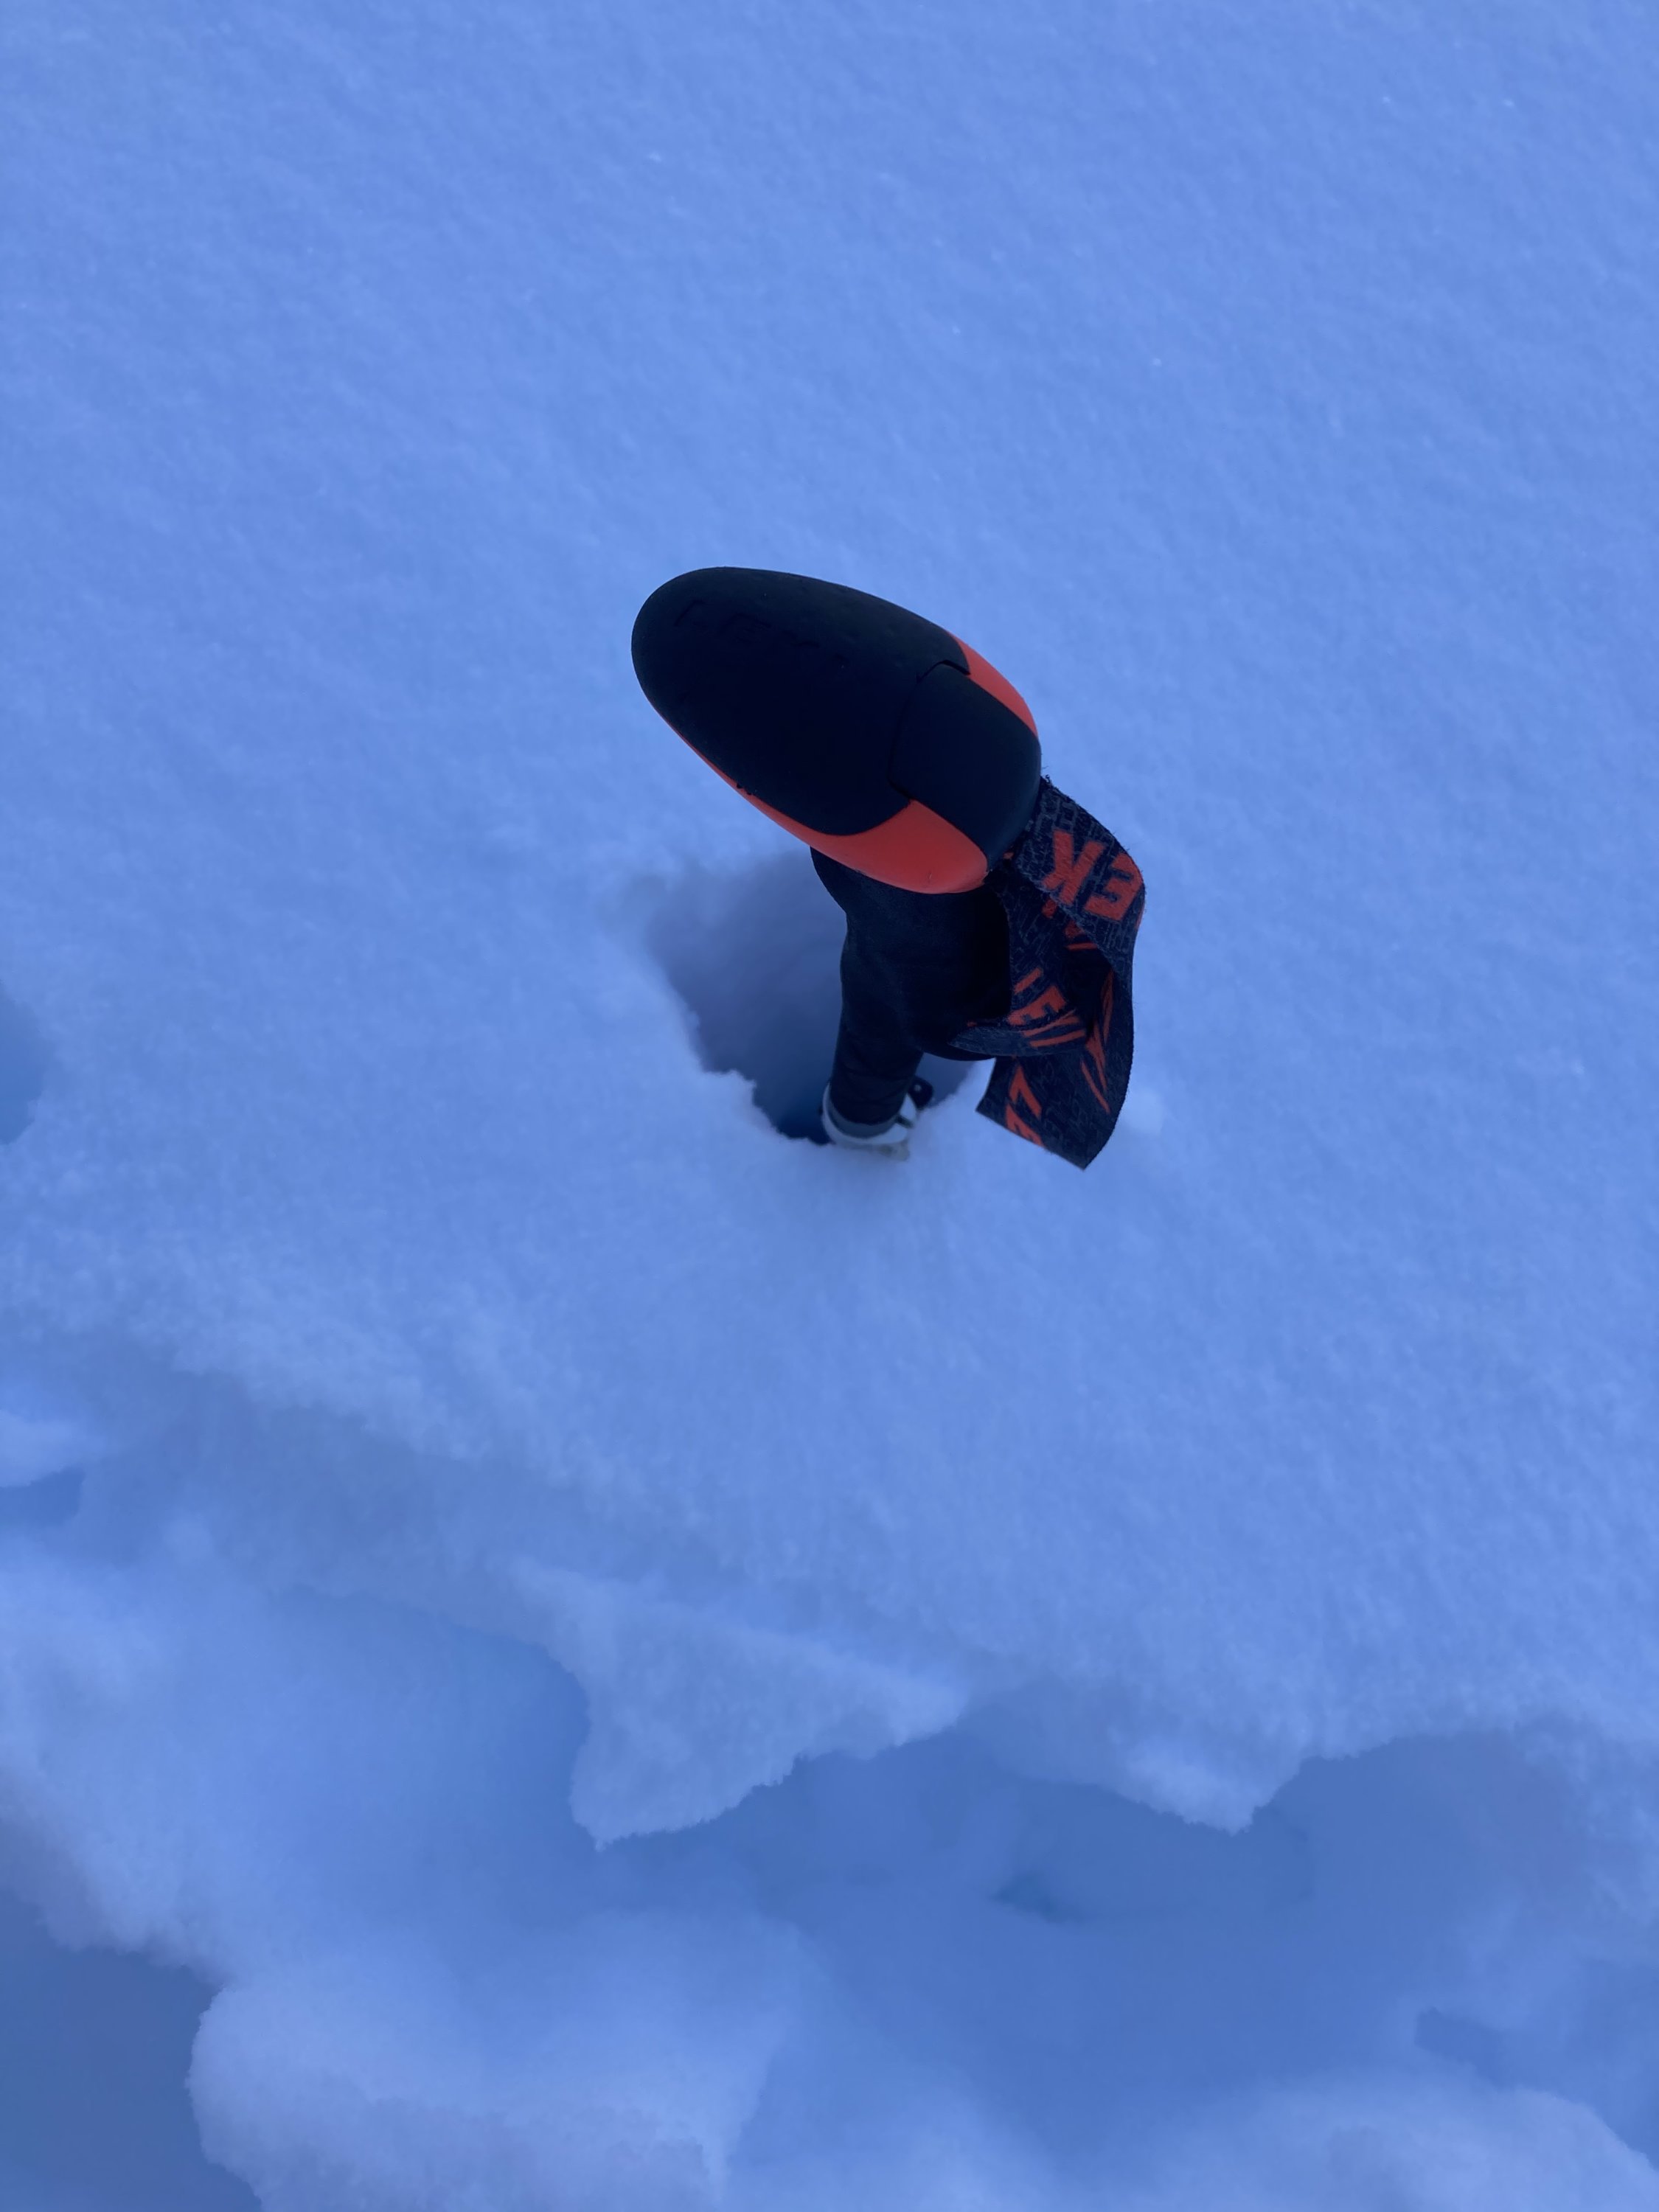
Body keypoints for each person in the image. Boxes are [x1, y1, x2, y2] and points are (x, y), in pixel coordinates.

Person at [631, 568, 1145, 1167]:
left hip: (934, 848)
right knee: (902, 958)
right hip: (948, 811)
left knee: (903, 963)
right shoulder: (928, 903)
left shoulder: (926, 915)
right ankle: (861, 1121)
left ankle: (861, 1122)